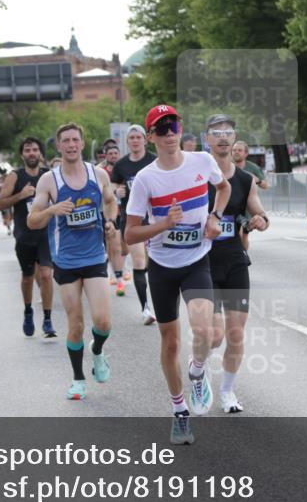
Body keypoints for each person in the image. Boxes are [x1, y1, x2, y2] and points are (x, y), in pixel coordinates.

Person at [125, 104, 230, 444]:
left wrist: (214, 216)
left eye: (174, 125)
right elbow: (130, 235)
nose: (170, 133)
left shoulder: (202, 161)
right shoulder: (145, 179)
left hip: (197, 260)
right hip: (162, 268)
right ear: (151, 136)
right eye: (162, 128)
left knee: (205, 332)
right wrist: (163, 224)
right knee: (170, 342)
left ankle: (197, 372)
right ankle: (179, 411)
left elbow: (224, 188)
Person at [27, 123, 118, 400]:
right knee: (75, 325)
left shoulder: (98, 174)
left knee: (103, 321)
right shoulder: (49, 181)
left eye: (75, 140)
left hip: (94, 256)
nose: (70, 145)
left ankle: (97, 351)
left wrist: (110, 221)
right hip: (65, 261)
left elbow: (110, 201)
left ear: (82, 143)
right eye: (65, 141)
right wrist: (52, 210)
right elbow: (32, 220)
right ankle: (78, 379)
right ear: (59, 146)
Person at [204, 114, 270, 413]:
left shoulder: (245, 180)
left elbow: (260, 214)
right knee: (213, 335)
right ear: (207, 139)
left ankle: (227, 391)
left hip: (234, 262)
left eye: (227, 133)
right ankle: (199, 368)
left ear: (234, 138)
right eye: (216, 132)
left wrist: (260, 221)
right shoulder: (197, 177)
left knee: (235, 333)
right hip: (202, 264)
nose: (222, 137)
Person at [0, 137, 58, 339]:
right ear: (22, 154)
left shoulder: (48, 176)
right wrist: (21, 195)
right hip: (24, 235)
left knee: (47, 275)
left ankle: (48, 319)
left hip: (45, 234)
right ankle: (28, 311)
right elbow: (0, 203)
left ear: (40, 153)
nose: (31, 153)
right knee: (27, 277)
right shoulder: (15, 176)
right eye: (27, 150)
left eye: (35, 149)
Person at [111, 125, 158, 322]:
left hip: (155, 217)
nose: (135, 140)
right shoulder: (121, 165)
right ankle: (145, 308)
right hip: (132, 219)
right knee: (138, 261)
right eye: (132, 138)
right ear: (127, 142)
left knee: (155, 262)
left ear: (145, 140)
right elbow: (112, 187)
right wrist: (116, 192)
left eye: (139, 137)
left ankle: (160, 303)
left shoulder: (154, 160)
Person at [98, 144, 126, 291]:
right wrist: (114, 192)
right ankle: (115, 274)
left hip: (123, 212)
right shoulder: (101, 172)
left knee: (121, 247)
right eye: (110, 153)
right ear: (106, 156)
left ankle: (117, 272)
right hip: (106, 212)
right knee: (111, 244)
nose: (113, 156)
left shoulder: (124, 169)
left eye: (116, 153)